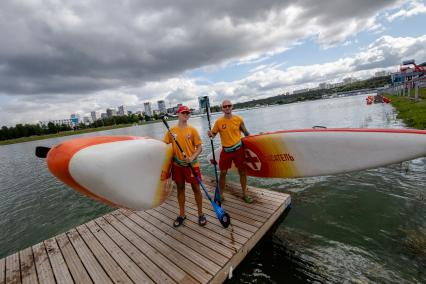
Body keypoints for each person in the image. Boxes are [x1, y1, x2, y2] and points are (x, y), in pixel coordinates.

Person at [163, 105, 206, 227]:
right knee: (180, 189)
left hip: (192, 165)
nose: (186, 115)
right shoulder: (171, 131)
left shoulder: (192, 130)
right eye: (183, 113)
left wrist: (192, 158)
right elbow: (164, 147)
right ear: (178, 114)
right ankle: (182, 214)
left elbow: (199, 147)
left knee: (196, 189)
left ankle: (200, 214)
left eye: (187, 113)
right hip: (177, 166)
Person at [208, 100, 253, 203]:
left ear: (232, 107)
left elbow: (246, 133)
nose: (227, 107)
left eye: (229, 106)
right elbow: (213, 135)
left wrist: (256, 138)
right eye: (225, 106)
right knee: (223, 173)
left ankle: (245, 194)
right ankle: (221, 194)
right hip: (226, 151)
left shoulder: (239, 119)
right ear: (222, 109)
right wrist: (210, 134)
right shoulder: (219, 122)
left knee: (242, 171)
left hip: (238, 149)